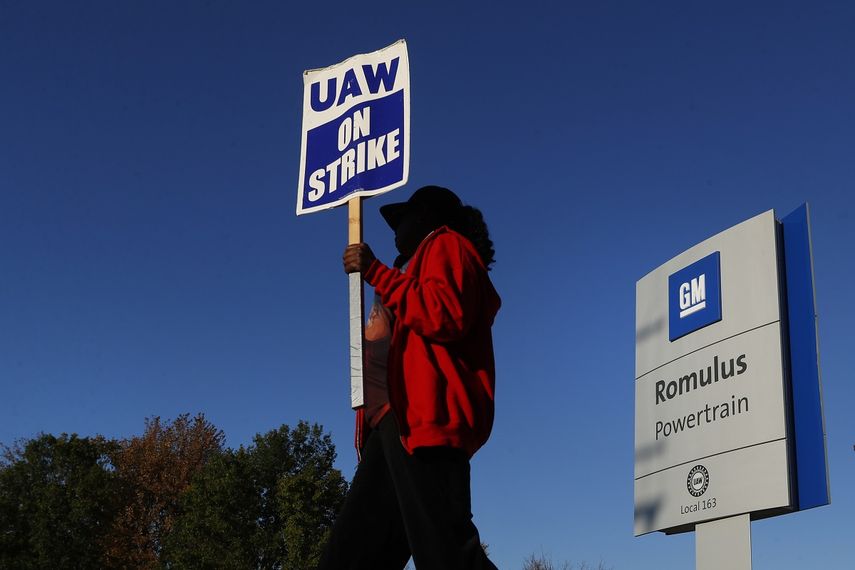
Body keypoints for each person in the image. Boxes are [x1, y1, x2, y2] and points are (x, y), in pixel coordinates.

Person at [319, 185, 501, 570]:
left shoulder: (448, 245)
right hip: (391, 426)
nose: (395, 230)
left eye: (401, 220)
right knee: (351, 556)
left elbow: (443, 313)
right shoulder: (410, 266)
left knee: (446, 552)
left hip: (423, 421)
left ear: (426, 218)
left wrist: (375, 272)